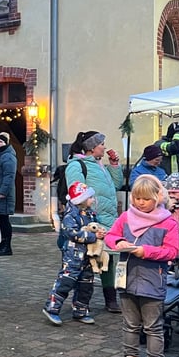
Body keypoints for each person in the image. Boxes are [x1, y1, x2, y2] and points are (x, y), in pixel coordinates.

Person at [105, 175, 179, 357]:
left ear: (157, 198)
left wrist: (145, 251)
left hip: (152, 281)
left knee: (153, 327)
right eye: (137, 198)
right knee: (130, 325)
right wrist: (119, 241)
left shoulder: (168, 222)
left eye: (146, 199)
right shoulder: (126, 217)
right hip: (126, 279)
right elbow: (111, 235)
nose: (140, 203)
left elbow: (172, 251)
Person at [65, 131, 125, 313]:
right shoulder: (77, 165)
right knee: (87, 260)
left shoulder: (99, 165)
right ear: (91, 147)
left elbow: (116, 185)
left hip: (108, 218)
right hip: (92, 220)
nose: (104, 147)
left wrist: (114, 165)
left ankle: (110, 299)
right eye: (102, 144)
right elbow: (76, 194)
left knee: (108, 259)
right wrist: (87, 216)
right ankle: (79, 300)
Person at [43, 181, 103, 326]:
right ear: (81, 200)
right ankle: (52, 308)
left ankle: (81, 310)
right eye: (90, 197)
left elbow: (94, 227)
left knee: (86, 285)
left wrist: (100, 232)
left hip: (88, 256)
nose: (92, 200)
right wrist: (93, 237)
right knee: (66, 282)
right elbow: (72, 233)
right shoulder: (70, 215)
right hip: (73, 257)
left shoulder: (89, 213)